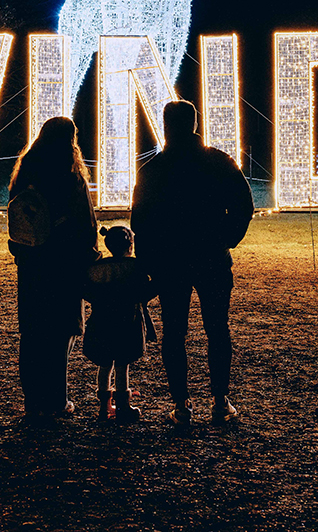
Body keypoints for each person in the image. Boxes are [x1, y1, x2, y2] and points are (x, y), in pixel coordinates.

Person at [131, 99, 254, 427]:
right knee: (217, 329)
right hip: (212, 255)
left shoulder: (155, 168)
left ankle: (182, 404)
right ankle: (219, 400)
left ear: (166, 126)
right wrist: (228, 238)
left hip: (170, 260)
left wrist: (147, 263)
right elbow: (243, 204)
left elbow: (141, 220)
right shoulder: (218, 162)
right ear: (195, 123)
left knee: (174, 331)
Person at [7, 116, 99, 419]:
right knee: (62, 332)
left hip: (32, 265)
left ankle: (34, 401)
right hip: (64, 265)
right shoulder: (70, 178)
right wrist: (90, 257)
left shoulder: (25, 175)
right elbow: (85, 224)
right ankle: (57, 400)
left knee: (33, 334)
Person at [82, 225, 157, 423]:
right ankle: (123, 405)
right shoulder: (135, 268)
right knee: (122, 364)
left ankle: (103, 406)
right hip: (127, 323)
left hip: (101, 322)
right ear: (130, 246)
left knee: (105, 364)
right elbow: (145, 290)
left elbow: (86, 290)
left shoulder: (97, 270)